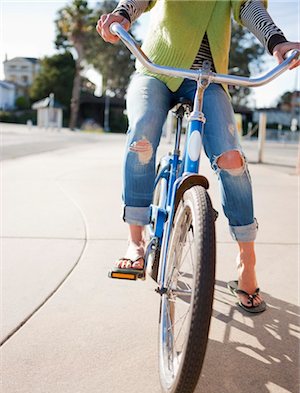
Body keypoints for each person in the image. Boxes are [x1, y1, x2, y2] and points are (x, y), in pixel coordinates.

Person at [97, 0, 300, 313]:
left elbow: (250, 8)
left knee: (232, 159)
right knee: (141, 137)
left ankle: (247, 260)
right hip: (155, 69)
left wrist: (277, 41)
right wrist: (123, 14)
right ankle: (135, 241)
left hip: (209, 78)